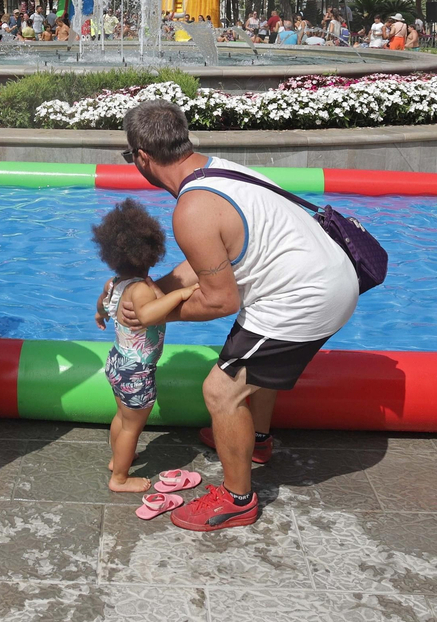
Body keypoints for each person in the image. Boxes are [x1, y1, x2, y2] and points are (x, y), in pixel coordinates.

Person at [112, 99, 359, 531]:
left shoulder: (192, 209)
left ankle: (237, 498)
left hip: (303, 298)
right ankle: (256, 441)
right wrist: (148, 289)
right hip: (327, 278)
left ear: (143, 158)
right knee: (250, 367)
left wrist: (151, 315)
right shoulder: (218, 170)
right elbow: (207, 261)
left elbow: (220, 301)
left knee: (220, 391)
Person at [91, 200, 201, 493]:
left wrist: (100, 315)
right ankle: (120, 479)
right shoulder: (140, 290)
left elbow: (102, 303)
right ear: (150, 254)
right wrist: (180, 294)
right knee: (131, 426)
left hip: (118, 362)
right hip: (137, 371)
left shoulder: (115, 283)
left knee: (122, 417)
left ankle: (118, 460)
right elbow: (149, 314)